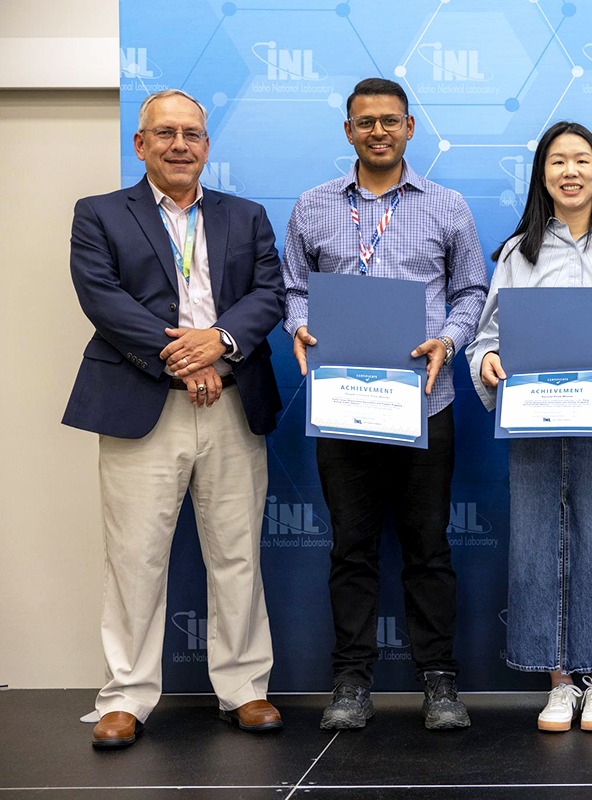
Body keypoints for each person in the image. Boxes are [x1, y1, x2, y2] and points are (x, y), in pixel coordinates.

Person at [64, 89, 286, 748]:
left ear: (207, 146)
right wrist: (184, 360)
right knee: (133, 557)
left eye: (191, 133)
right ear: (141, 144)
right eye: (165, 133)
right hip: (142, 400)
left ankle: (244, 688)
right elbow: (101, 297)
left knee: (237, 553)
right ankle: (125, 696)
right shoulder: (100, 213)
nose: (179, 144)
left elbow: (269, 294)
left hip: (233, 399)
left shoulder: (246, 216)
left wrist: (219, 344)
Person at [281, 77, 488, 731]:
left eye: (390, 120)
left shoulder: (447, 206)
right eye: (365, 122)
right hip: (343, 404)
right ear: (348, 131)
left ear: (409, 128)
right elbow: (293, 289)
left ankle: (440, 682)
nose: (378, 131)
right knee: (351, 548)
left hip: (425, 401)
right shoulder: (313, 205)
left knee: (428, 547)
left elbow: (473, 290)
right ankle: (350, 682)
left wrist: (448, 340)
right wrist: (299, 325)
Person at [467, 121, 592, 733]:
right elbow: (486, 336)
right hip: (532, 420)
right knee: (536, 544)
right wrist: (488, 360)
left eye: (582, 160)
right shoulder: (517, 252)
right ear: (543, 176)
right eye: (558, 161)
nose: (570, 171)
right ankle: (557, 683)